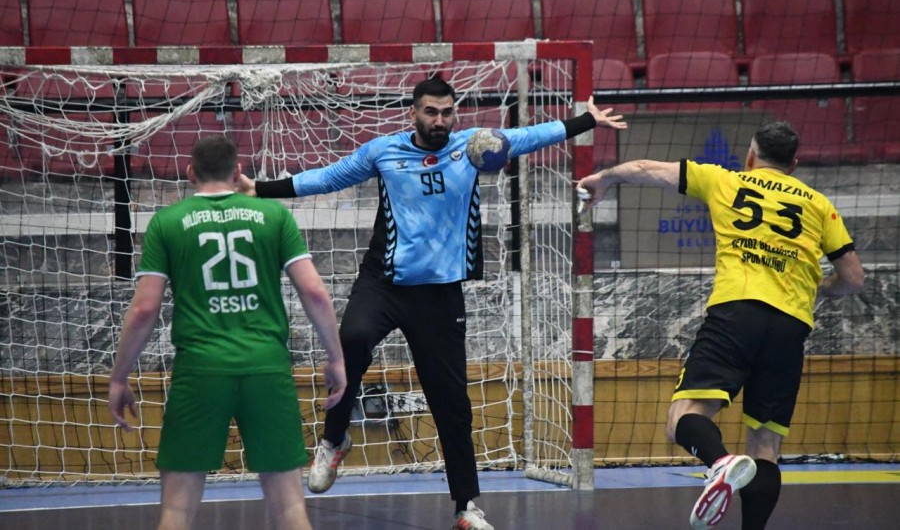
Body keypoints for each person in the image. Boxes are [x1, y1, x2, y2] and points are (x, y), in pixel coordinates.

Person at [238, 76, 628, 530]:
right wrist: (259, 189)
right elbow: (328, 177)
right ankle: (334, 440)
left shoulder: (473, 147)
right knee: (352, 341)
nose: (439, 120)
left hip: (440, 294)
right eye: (430, 112)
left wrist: (585, 120)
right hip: (385, 283)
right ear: (414, 113)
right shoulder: (384, 152)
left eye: (446, 112)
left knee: (451, 403)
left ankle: (465, 507)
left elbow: (528, 136)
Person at [576, 121, 865, 530]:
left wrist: (605, 179)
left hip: (736, 314)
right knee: (766, 444)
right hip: (791, 327)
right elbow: (854, 279)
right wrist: (820, 289)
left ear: (751, 157)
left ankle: (720, 462)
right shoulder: (819, 205)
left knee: (682, 418)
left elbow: (644, 169)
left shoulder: (725, 181)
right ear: (794, 165)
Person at [108, 136, 347, 530]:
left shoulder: (167, 222)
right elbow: (315, 293)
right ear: (238, 173)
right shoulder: (273, 216)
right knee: (290, 509)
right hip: (266, 368)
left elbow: (145, 309)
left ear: (190, 174)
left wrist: (119, 377)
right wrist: (336, 358)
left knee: (176, 512)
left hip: (199, 371)